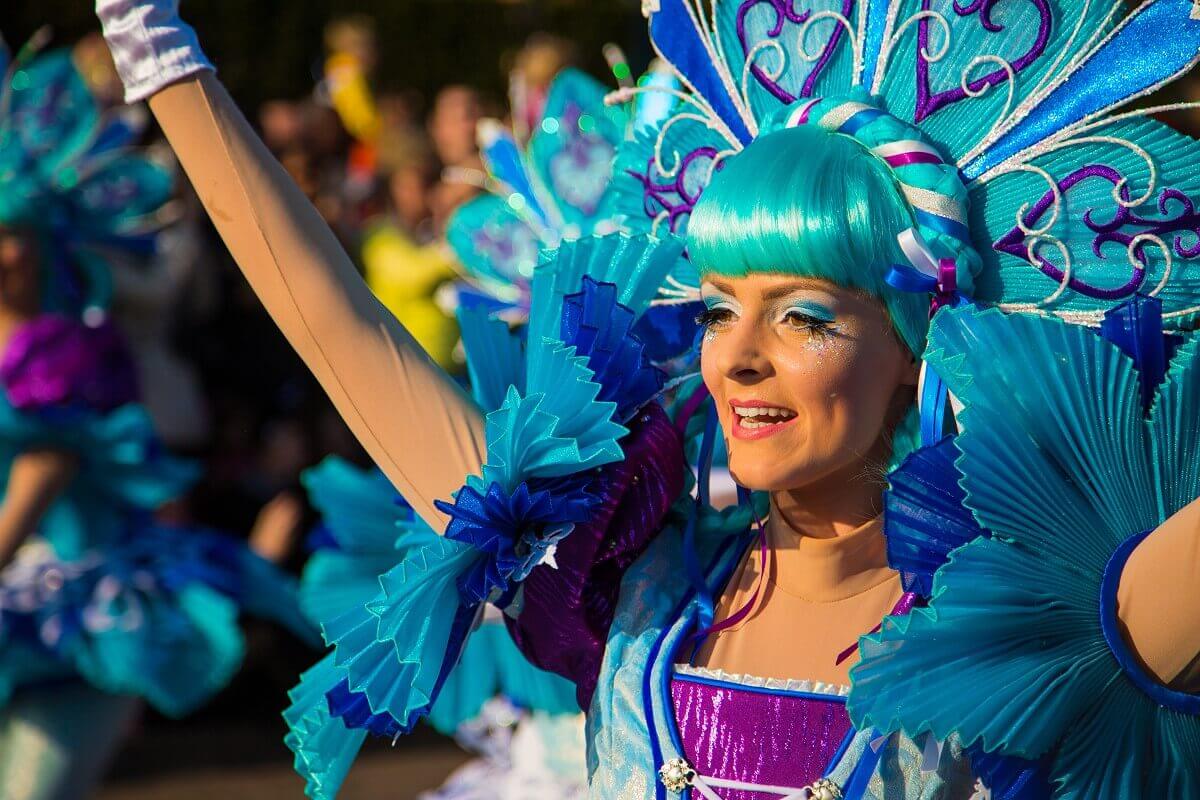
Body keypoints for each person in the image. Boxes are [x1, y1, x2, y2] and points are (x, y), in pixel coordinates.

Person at [93, 1, 1200, 798]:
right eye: (720, 309)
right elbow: (345, 334)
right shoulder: (629, 589)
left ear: (915, 351)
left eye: (806, 316)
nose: (739, 359)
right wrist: (159, 50)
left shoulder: (1038, 629)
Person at [0, 39, 315, 800]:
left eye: (9, 235)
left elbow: (52, 460)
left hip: (86, 613)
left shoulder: (76, 347)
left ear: (43, 243)